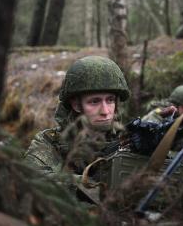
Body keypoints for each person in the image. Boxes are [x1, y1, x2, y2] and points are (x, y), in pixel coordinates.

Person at [24, 56, 130, 200]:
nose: (105, 111)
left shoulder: (127, 139)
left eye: (110, 100)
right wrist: (91, 186)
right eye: (94, 101)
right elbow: (32, 178)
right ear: (76, 105)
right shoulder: (49, 142)